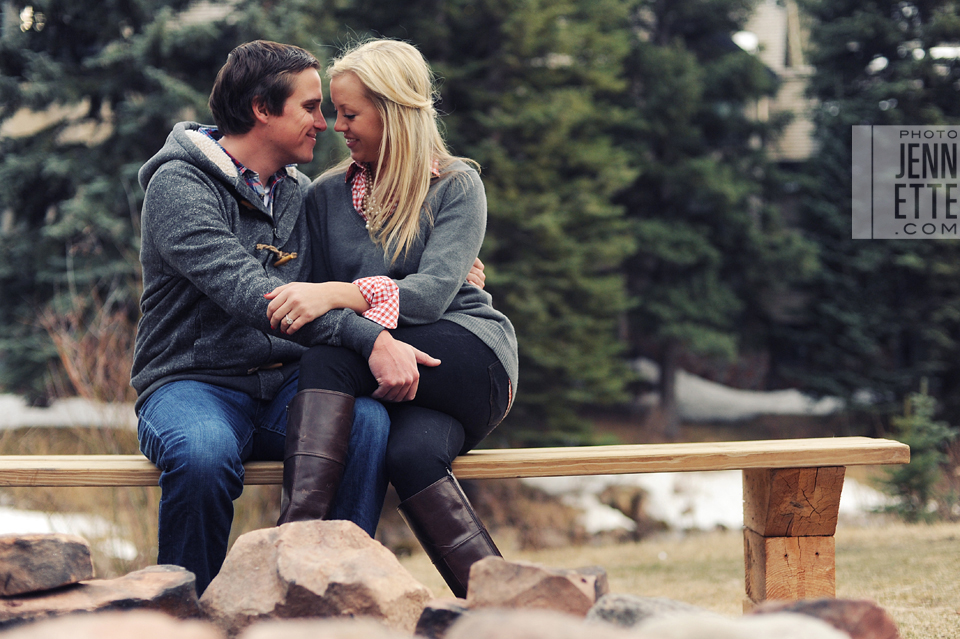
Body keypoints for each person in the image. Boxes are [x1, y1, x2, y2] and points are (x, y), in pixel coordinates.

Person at [131, 40, 441, 595]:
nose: (324, 123)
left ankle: (326, 604)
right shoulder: (178, 186)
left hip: (285, 387)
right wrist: (370, 341)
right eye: (310, 107)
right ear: (260, 108)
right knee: (202, 454)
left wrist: (449, 265)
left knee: (363, 424)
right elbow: (257, 295)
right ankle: (182, 617)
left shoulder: (300, 195)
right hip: (191, 384)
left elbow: (344, 274)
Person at [263, 39, 518, 597]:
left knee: (334, 358)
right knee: (410, 456)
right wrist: (335, 302)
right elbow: (308, 307)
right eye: (333, 111)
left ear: (394, 110)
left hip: (471, 356)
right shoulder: (325, 196)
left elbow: (426, 298)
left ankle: (293, 550)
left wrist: (336, 292)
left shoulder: (455, 185)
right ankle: (505, 607)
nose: (335, 126)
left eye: (350, 113)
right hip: (393, 372)